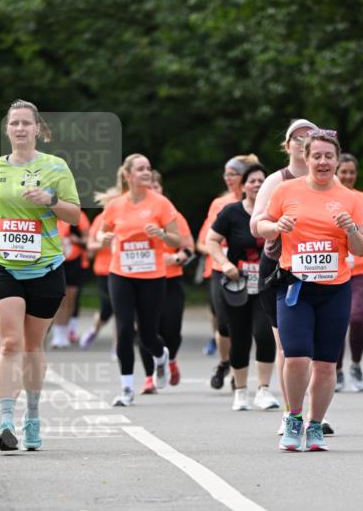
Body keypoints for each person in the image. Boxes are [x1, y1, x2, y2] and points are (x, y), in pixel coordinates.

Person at [0, 99, 80, 451]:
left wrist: (50, 200)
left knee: (33, 347)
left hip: (45, 266)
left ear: (37, 129)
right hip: (2, 266)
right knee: (10, 343)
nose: (19, 129)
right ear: (7, 130)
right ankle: (6, 422)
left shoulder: (56, 167)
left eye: (25, 123)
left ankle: (32, 417)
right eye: (13, 123)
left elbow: (75, 216)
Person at [258, 129, 363, 451]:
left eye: (328, 156)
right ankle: (293, 419)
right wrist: (276, 228)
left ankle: (316, 425)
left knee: (324, 363)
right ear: (305, 159)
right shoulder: (286, 190)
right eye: (316, 156)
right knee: (295, 357)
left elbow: (361, 249)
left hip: (335, 289)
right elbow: (262, 224)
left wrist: (350, 228)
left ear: (337, 160)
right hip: (295, 287)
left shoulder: (351, 198)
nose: (323, 162)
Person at [250, 118, 336, 434]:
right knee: (289, 346)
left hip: (322, 270)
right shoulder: (277, 181)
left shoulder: (330, 180)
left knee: (320, 350)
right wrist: (277, 226)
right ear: (287, 146)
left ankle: (317, 414)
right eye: (297, 138)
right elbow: (256, 222)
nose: (303, 142)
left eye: (309, 137)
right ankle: (291, 414)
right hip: (280, 269)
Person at [97, 153, 180, 407]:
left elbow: (177, 241)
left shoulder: (161, 204)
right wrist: (104, 238)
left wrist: (163, 234)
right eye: (141, 169)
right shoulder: (115, 205)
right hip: (121, 273)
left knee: (147, 334)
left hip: (152, 275)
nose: (146, 172)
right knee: (123, 330)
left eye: (148, 168)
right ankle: (126, 389)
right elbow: (102, 230)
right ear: (128, 175)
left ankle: (161, 355)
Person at [207, 162, 279, 411]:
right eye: (252, 181)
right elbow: (211, 240)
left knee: (264, 333)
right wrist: (224, 263)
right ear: (243, 185)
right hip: (237, 284)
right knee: (239, 336)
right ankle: (240, 391)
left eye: (262, 180)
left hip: (266, 283)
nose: (257, 185)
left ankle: (264, 390)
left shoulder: (276, 212)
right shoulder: (231, 212)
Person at [197, 154, 259, 389]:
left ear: (242, 178)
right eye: (226, 174)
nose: (227, 178)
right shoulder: (219, 204)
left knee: (246, 326)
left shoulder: (261, 202)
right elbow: (202, 242)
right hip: (220, 269)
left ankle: (237, 372)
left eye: (232, 174)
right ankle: (224, 362)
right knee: (223, 324)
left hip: (250, 270)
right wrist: (222, 253)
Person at [138, 171, 195, 392]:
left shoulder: (173, 216)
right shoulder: (134, 216)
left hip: (170, 280)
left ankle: (170, 360)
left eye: (156, 187)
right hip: (141, 280)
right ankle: (149, 376)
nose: (152, 191)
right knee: (145, 330)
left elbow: (189, 247)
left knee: (171, 330)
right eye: (148, 187)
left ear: (162, 190)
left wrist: (177, 258)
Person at [335, 152, 363, 392]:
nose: (348, 176)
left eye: (352, 172)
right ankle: (337, 370)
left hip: (361, 269)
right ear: (335, 172)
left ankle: (355, 364)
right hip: (335, 268)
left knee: (356, 316)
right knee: (338, 321)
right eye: (344, 172)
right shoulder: (328, 198)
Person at [80, 187, 121, 350]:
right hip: (104, 270)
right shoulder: (99, 221)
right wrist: (103, 243)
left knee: (121, 308)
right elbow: (90, 246)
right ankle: (94, 329)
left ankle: (118, 346)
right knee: (107, 309)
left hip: (123, 269)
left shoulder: (126, 219)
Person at [50, 210, 90, 348]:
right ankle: (57, 332)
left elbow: (87, 239)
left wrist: (76, 240)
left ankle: (64, 331)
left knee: (70, 298)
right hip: (56, 260)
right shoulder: (50, 213)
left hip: (74, 261)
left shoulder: (79, 216)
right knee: (58, 298)